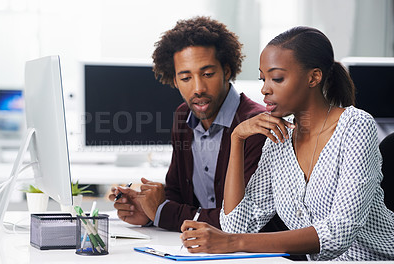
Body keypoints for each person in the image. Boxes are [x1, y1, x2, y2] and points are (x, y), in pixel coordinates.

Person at [180, 26, 394, 261]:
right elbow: (237, 226)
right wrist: (237, 138)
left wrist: (234, 242)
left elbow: (337, 234)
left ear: (313, 77)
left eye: (277, 78)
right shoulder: (278, 138)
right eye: (263, 78)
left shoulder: (355, 126)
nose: (265, 89)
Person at [108, 17, 287, 233]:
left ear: (227, 71)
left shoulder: (256, 127)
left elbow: (241, 220)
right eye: (186, 78)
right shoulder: (183, 116)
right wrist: (147, 212)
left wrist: (162, 212)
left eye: (208, 74)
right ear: (174, 81)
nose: (198, 88)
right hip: (202, 247)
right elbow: (178, 194)